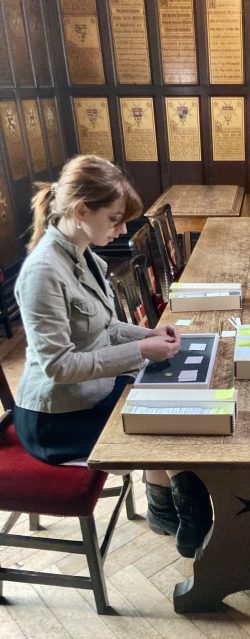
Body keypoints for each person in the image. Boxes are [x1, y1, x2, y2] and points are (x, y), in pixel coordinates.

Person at [13, 154, 211, 558]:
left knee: (166, 400)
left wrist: (149, 333)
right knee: (172, 423)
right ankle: (198, 530)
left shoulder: (83, 251)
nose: (122, 230)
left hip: (91, 392)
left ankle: (164, 510)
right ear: (81, 210)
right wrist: (140, 350)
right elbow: (59, 366)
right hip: (57, 419)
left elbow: (102, 328)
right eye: (115, 219)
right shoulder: (43, 271)